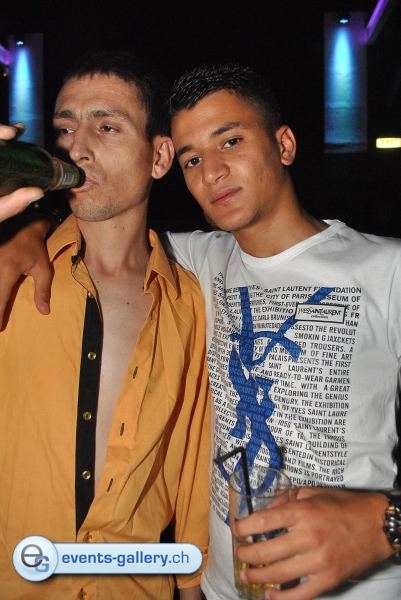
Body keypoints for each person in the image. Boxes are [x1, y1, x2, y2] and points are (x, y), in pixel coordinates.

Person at [1, 63, 400, 600]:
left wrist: (384, 524)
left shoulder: (388, 270)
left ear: (284, 144)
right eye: (192, 158)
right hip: (224, 588)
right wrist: (24, 229)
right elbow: (106, 224)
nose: (211, 172)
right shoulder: (196, 263)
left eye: (230, 141)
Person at [0, 51, 210, 600]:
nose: (78, 148)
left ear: (159, 156)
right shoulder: (12, 270)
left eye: (107, 127)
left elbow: (190, 462)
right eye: (65, 128)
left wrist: (192, 586)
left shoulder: (187, 303)